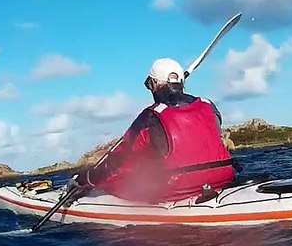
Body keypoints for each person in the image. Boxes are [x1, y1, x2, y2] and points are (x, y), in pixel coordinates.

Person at [73, 57, 236, 203]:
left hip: (176, 188)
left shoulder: (150, 117)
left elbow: (119, 162)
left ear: (155, 84)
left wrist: (88, 178)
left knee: (129, 176)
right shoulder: (209, 106)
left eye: (150, 84)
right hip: (224, 177)